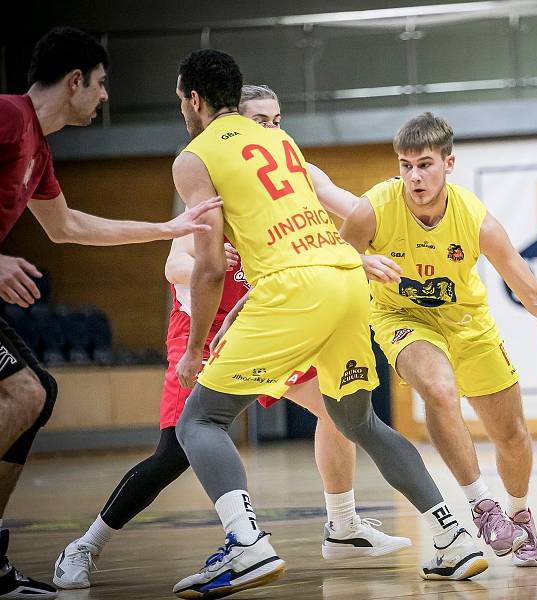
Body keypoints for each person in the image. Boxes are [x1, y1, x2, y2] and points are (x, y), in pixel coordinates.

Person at [51, 87, 409, 590]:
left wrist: (374, 242)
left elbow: (339, 217)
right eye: (261, 119)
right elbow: (175, 263)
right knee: (174, 452)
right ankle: (86, 544)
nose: (272, 129)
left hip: (268, 321)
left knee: (336, 408)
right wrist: (216, 262)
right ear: (233, 122)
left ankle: (344, 525)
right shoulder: (212, 179)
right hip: (205, 327)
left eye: (278, 119)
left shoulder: (287, 174)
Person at [170, 50, 486, 599]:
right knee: (357, 420)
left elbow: (212, 263)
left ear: (194, 100)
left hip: (293, 290)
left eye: (181, 101)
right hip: (345, 278)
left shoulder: (194, 157)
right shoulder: (283, 142)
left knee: (199, 420)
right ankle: (453, 536)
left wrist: (195, 347)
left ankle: (245, 545)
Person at [340, 112, 537, 568]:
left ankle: (519, 514)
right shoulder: (373, 208)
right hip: (400, 317)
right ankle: (481, 506)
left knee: (511, 435)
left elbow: (531, 292)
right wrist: (360, 263)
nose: (414, 176)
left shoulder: (475, 220)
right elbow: (333, 257)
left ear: (449, 164)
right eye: (405, 165)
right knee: (438, 388)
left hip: (469, 324)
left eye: (425, 164)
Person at [0, 27, 219, 600]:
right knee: (28, 393)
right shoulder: (6, 117)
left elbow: (69, 227)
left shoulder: (38, 150)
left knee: (33, 394)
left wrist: (166, 229)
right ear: (75, 81)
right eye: (99, 85)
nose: (103, 98)